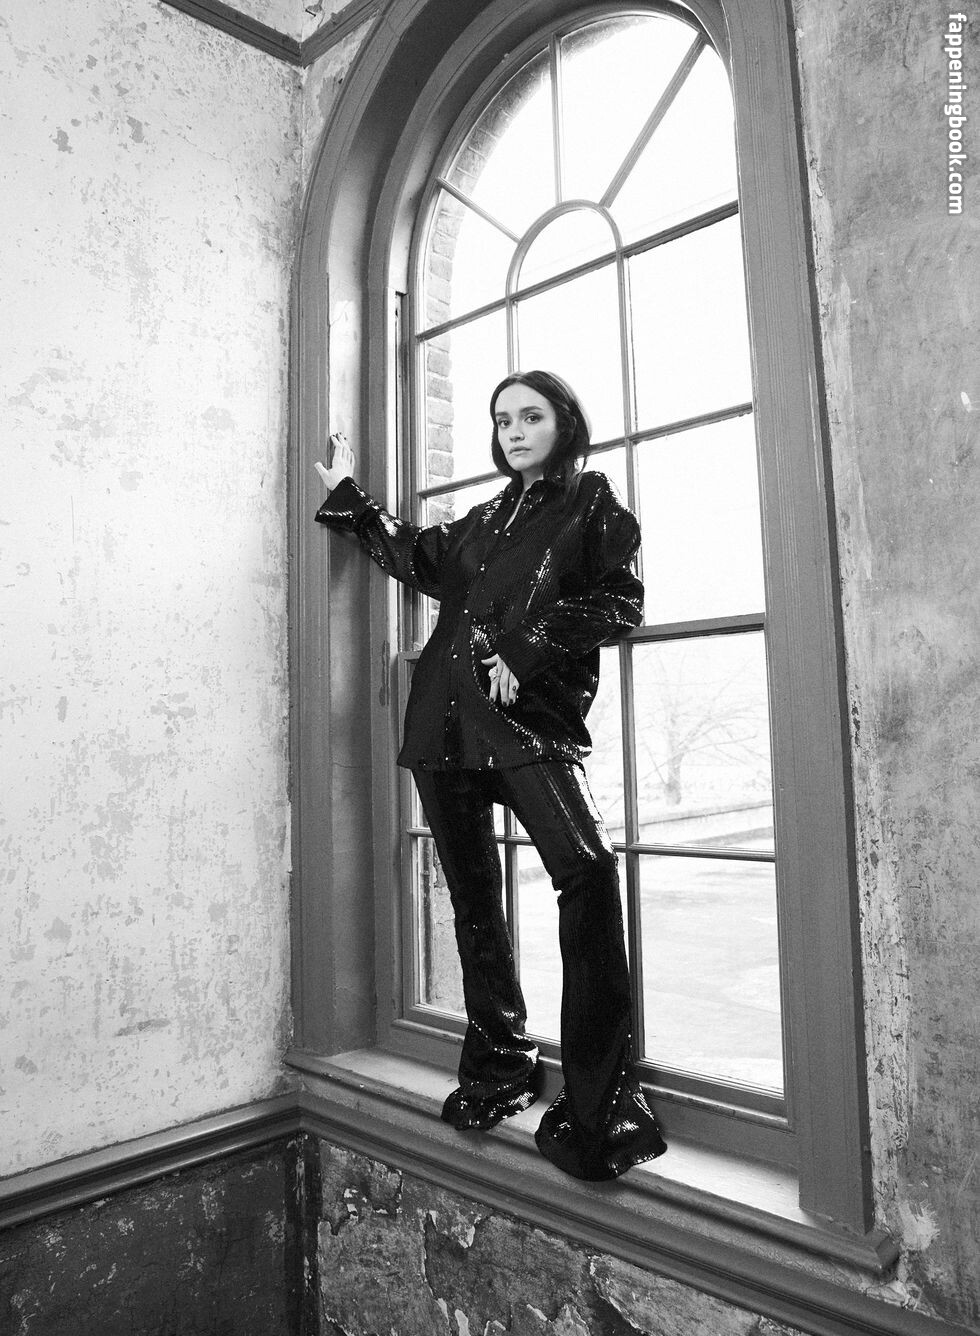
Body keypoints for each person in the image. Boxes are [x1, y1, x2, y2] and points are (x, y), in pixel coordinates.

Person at [314, 369, 666, 1181]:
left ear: (564, 422)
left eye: (530, 416)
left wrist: (527, 645)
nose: (514, 430)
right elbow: (416, 556)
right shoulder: (485, 518)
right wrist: (351, 498)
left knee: (588, 872)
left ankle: (598, 1100)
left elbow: (620, 600)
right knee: (473, 900)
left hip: (526, 723)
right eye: (503, 418)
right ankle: (500, 1064)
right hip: (440, 724)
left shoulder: (593, 504)